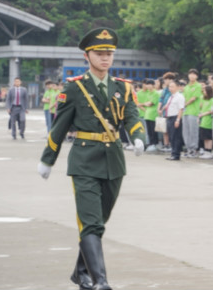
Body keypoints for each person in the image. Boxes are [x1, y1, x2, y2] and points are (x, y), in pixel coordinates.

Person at [37, 28, 146, 290]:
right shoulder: (75, 88)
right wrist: (48, 159)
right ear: (88, 56)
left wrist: (138, 136)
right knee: (91, 222)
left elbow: (132, 116)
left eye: (109, 53)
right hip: (84, 161)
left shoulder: (123, 87)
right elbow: (59, 127)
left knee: (98, 222)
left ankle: (80, 272)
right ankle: (101, 280)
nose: (105, 58)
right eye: (100, 53)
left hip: (114, 162)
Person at [182, 69, 203, 158]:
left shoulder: (198, 86)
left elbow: (194, 98)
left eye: (194, 74)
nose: (192, 76)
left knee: (193, 131)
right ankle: (188, 149)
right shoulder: (186, 87)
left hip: (193, 112)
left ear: (197, 76)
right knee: (186, 131)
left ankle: (193, 149)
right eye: (190, 74)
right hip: (185, 112)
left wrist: (185, 104)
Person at [164, 81, 185, 161]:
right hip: (169, 117)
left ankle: (176, 154)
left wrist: (178, 120)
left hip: (175, 117)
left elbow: (181, 109)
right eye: (169, 87)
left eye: (172, 86)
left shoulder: (180, 96)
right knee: (171, 136)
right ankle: (173, 153)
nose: (170, 88)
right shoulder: (171, 96)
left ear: (177, 87)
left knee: (176, 137)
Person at [197, 85, 213, 159]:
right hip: (203, 120)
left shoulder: (212, 99)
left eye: (205, 91)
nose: (203, 92)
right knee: (204, 137)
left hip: (208, 120)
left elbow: (211, 110)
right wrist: (200, 116)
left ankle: (209, 151)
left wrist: (202, 114)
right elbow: (201, 108)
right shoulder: (204, 99)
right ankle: (206, 151)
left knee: (209, 137)